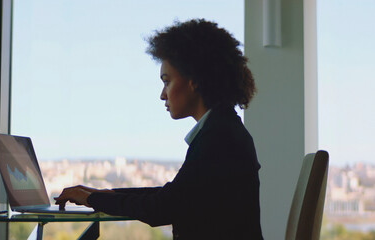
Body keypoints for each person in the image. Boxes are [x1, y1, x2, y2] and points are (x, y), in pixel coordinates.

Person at [54, 19, 263, 239]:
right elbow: (176, 195)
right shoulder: (223, 130)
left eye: (167, 81)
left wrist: (93, 199)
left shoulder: (218, 138)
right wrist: (105, 194)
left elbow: (162, 207)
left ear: (195, 80)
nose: (162, 94)